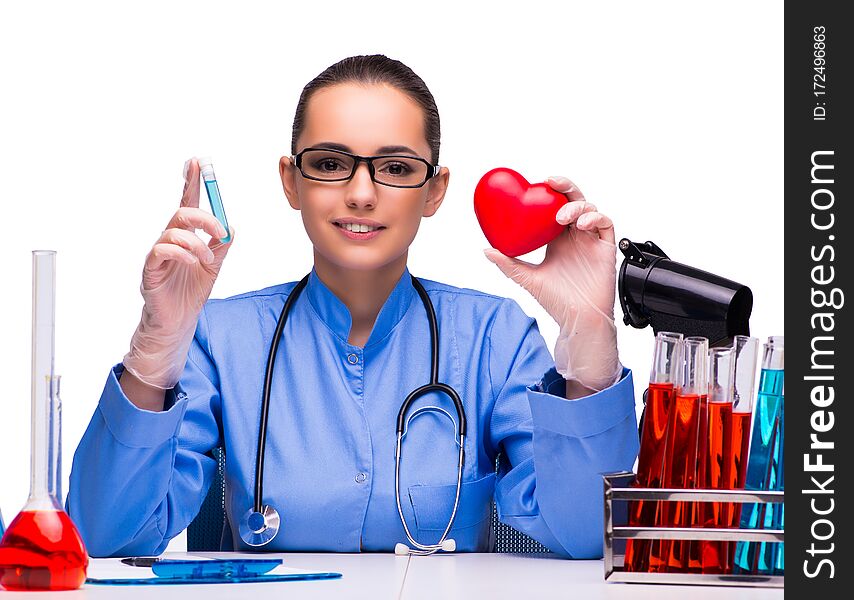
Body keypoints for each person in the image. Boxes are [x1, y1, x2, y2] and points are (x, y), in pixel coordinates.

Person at [66, 54, 638, 558]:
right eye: (330, 163)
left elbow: (586, 535)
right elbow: (108, 538)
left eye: (394, 168)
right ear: (291, 182)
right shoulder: (220, 338)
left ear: (434, 191)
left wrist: (589, 337)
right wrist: (156, 346)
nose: (361, 193)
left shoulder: (494, 335)